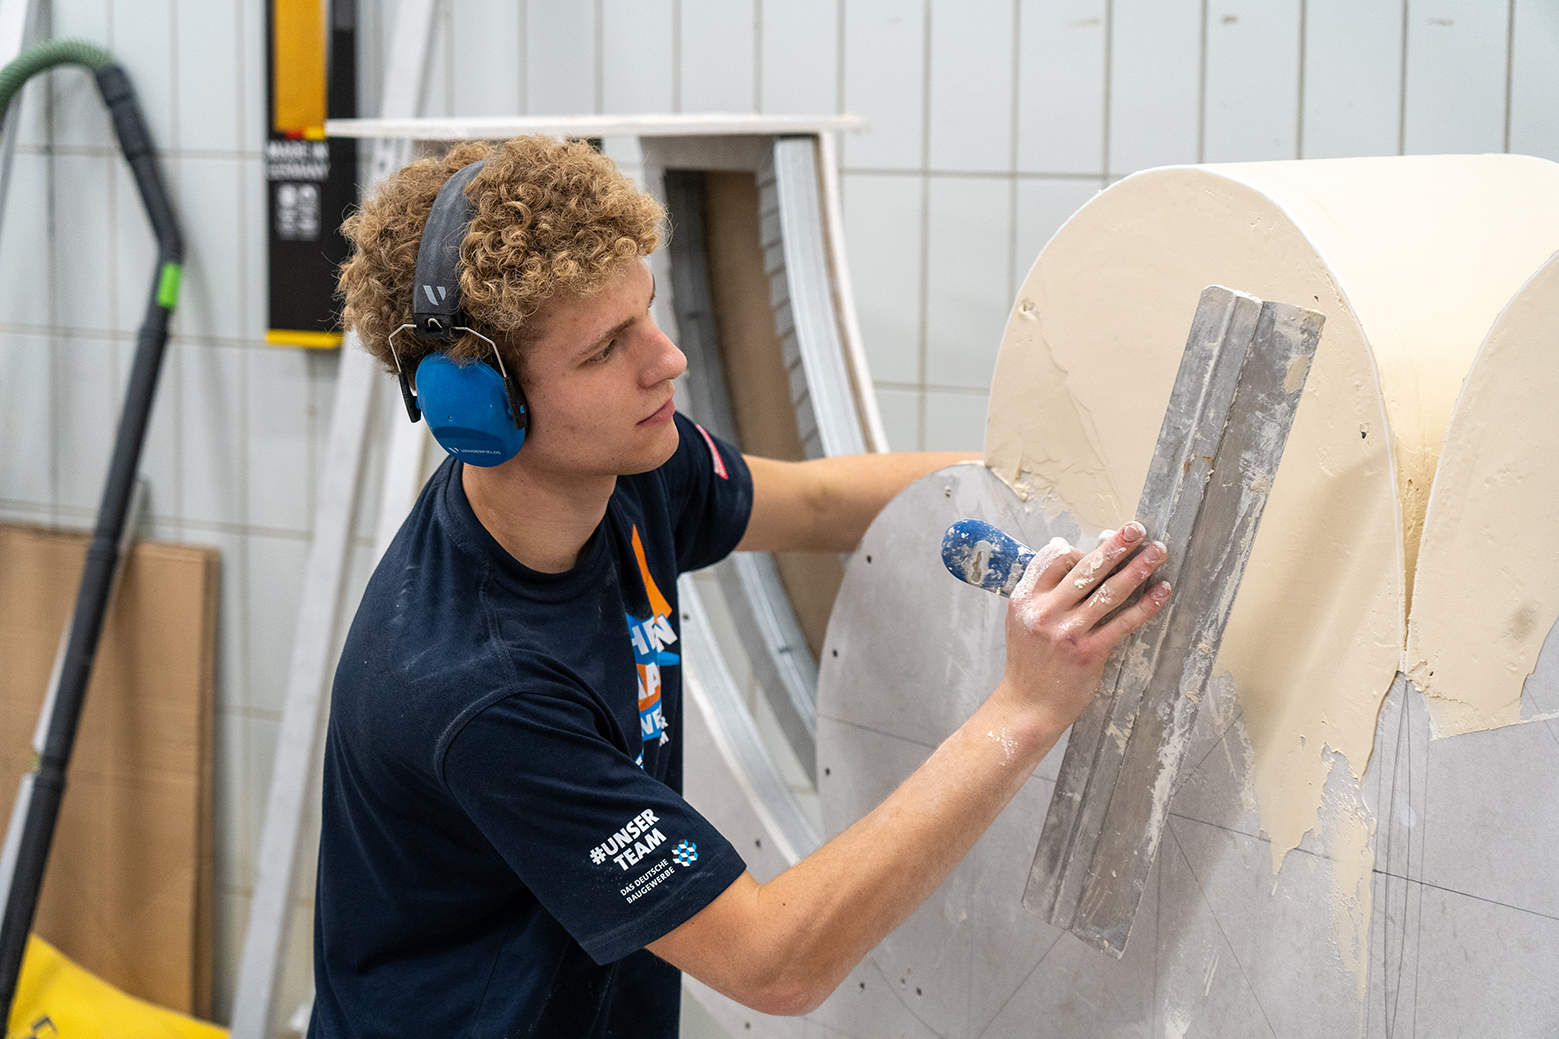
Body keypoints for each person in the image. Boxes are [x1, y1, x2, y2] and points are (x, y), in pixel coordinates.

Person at [310, 136, 1170, 1038]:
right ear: (477, 408)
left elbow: (821, 501)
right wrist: (1025, 708)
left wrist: (1061, 491)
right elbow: (773, 962)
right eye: (606, 350)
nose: (667, 360)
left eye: (644, 312)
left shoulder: (630, 471)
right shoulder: (476, 688)